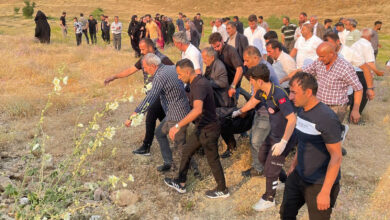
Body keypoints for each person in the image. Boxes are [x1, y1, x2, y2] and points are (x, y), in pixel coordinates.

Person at [232, 64, 297, 211]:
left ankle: (269, 198)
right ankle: (283, 180)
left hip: (284, 138)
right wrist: (238, 112)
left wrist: (283, 142)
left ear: (259, 81)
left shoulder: (279, 94)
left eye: (252, 81)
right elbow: (252, 102)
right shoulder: (261, 92)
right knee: (262, 157)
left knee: (270, 168)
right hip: (273, 135)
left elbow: (292, 119)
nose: (251, 84)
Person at [280, 72, 343, 220]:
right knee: (286, 213)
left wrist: (326, 192)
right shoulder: (301, 110)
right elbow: (302, 141)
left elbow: (336, 156)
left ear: (308, 92)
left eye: (294, 93)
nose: (290, 97)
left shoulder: (327, 118)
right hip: (299, 175)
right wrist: (294, 165)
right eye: (290, 92)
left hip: (319, 183)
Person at [164, 59, 229, 199]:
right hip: (202, 128)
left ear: (188, 71)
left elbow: (198, 109)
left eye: (180, 74)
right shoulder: (196, 82)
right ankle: (181, 182)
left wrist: (177, 126)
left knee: (213, 159)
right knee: (187, 150)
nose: (179, 77)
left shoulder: (199, 85)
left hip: (209, 129)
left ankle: (223, 189)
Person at [104, 38, 174, 157]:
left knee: (150, 118)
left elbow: (175, 73)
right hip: (152, 96)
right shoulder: (144, 59)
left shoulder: (164, 59)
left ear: (150, 47)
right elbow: (131, 70)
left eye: (143, 49)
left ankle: (146, 146)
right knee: (167, 121)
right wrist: (114, 76)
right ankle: (182, 140)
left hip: (159, 96)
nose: (141, 52)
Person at [124, 53, 190, 172]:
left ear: (153, 66)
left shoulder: (159, 76)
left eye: (145, 67)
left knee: (179, 145)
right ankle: (168, 162)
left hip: (177, 114)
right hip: (178, 109)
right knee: (159, 133)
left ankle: (187, 172)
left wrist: (135, 113)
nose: (143, 69)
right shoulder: (170, 68)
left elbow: (151, 97)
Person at [283, 42, 363, 125]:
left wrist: (355, 109)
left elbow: (358, 88)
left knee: (330, 133)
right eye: (318, 56)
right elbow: (304, 71)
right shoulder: (319, 62)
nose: (320, 59)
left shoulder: (345, 67)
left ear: (331, 54)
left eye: (322, 56)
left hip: (336, 108)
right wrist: (285, 79)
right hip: (320, 104)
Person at [241, 46, 281, 175]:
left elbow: (255, 98)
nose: (245, 63)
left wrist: (240, 111)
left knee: (257, 142)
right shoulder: (260, 67)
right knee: (255, 139)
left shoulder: (264, 71)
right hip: (261, 110)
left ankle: (261, 169)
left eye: (247, 60)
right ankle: (259, 166)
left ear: (256, 57)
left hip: (267, 112)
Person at [323, 32, 375, 118]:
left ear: (338, 41)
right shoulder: (325, 52)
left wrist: (370, 88)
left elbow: (366, 68)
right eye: (326, 43)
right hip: (326, 94)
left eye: (330, 43)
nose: (328, 46)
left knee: (334, 121)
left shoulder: (350, 52)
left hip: (344, 95)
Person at [209, 32, 244, 100]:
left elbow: (240, 69)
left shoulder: (231, 51)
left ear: (222, 40)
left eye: (218, 46)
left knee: (231, 107)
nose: (216, 49)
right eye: (214, 47)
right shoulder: (215, 51)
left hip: (232, 85)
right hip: (221, 85)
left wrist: (233, 86)